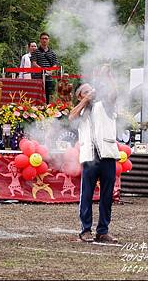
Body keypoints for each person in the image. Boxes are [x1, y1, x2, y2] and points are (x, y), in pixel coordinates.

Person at [69, 83, 120, 244]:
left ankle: (103, 231)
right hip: (89, 157)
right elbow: (71, 117)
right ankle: (85, 230)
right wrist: (86, 100)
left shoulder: (104, 105)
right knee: (86, 195)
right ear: (79, 96)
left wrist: (109, 78)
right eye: (86, 91)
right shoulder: (80, 109)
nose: (91, 92)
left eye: (92, 89)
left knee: (107, 195)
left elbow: (113, 93)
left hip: (107, 155)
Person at [31, 33, 59, 104]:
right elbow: (34, 63)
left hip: (48, 78)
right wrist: (42, 70)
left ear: (48, 40)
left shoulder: (52, 53)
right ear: (40, 40)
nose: (44, 40)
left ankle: (46, 111)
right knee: (36, 96)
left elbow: (55, 65)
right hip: (37, 78)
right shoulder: (35, 52)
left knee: (47, 95)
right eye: (43, 38)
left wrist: (50, 71)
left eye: (46, 38)